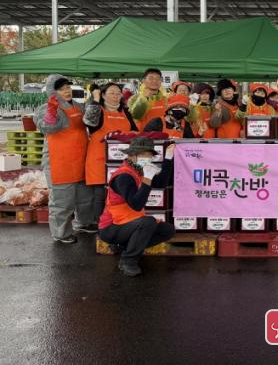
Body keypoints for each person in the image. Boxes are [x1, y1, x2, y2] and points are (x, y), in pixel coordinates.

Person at [98, 137, 175, 277]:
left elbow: (161, 183)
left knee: (167, 230)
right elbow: (137, 204)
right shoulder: (123, 176)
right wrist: (147, 179)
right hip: (111, 227)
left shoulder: (139, 171)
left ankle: (124, 247)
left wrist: (168, 158)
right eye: (144, 154)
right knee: (148, 222)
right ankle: (128, 261)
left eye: (150, 155)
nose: (148, 158)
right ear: (132, 155)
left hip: (129, 223)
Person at [35, 75, 96, 243]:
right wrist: (52, 112)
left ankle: (84, 222)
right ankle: (61, 233)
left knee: (85, 197)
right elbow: (48, 128)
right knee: (62, 201)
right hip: (60, 162)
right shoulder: (44, 108)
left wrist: (94, 98)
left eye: (68, 87)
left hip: (81, 160)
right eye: (61, 89)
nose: (67, 91)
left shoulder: (78, 106)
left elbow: (90, 120)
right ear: (52, 92)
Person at [83, 82, 137, 223]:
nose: (115, 96)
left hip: (123, 162)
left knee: (121, 195)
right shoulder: (98, 111)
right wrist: (95, 100)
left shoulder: (126, 112)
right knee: (101, 196)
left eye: (118, 93)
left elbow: (135, 131)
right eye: (112, 93)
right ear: (103, 95)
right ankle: (101, 226)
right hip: (100, 161)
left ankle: (119, 224)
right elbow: (89, 121)